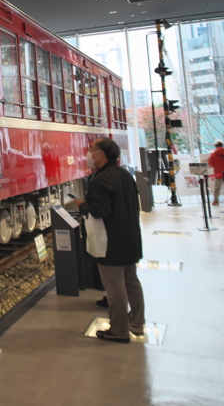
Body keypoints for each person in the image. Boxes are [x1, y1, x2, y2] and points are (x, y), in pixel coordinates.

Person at [74, 138, 145, 343]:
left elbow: (99, 211)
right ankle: (137, 323)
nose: (88, 154)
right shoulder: (124, 175)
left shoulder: (101, 179)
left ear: (101, 154)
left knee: (114, 288)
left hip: (110, 242)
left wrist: (82, 205)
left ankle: (119, 330)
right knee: (131, 282)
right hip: (130, 238)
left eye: (91, 150)